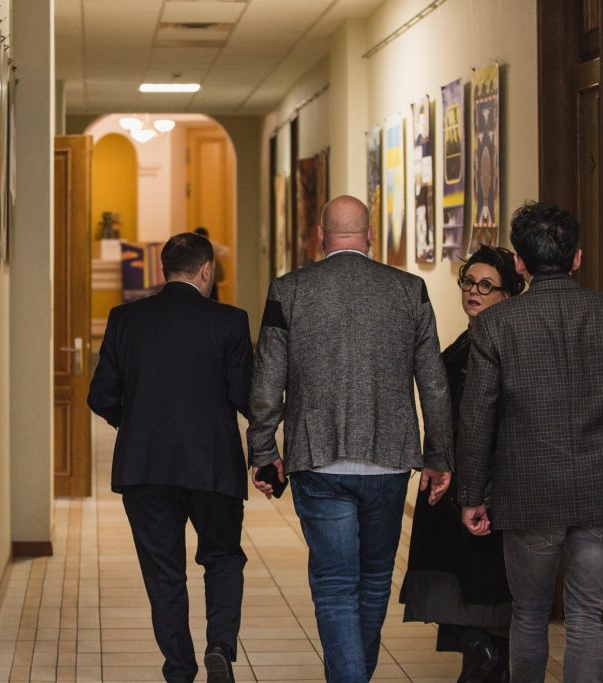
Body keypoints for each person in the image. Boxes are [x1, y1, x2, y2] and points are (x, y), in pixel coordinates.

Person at [247, 195, 454, 683]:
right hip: (389, 461)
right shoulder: (409, 290)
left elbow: (267, 381)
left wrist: (263, 451)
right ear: (370, 234)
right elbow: (434, 382)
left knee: (335, 586)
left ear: (320, 235)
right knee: (375, 580)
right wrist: (439, 455)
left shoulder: (288, 290)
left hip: (318, 460)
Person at [457, 201, 603, 682]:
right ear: (578, 257)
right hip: (601, 490)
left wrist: (472, 495)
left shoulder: (496, 325)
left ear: (519, 263)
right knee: (587, 616)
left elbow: (478, 417)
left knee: (528, 613)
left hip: (527, 493)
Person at [88, 232, 253, 683]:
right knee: (223, 557)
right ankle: (219, 645)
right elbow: (245, 397)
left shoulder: (125, 319)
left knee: (164, 573)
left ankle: (179, 669)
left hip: (144, 467)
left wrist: (135, 422)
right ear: (206, 270)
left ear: (164, 270)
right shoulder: (229, 321)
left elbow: (101, 396)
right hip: (212, 466)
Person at [400, 245, 524, 682]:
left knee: (480, 586)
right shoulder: (471, 336)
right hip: (453, 477)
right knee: (457, 585)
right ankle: (482, 658)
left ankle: (485, 659)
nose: (473, 291)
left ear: (508, 294)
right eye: (469, 282)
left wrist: (481, 490)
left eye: (486, 285)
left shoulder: (503, 344)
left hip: (482, 484)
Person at [194, 227, 228, 301]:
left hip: (211, 285)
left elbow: (226, 252)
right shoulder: (191, 250)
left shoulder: (212, 248)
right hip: (198, 284)